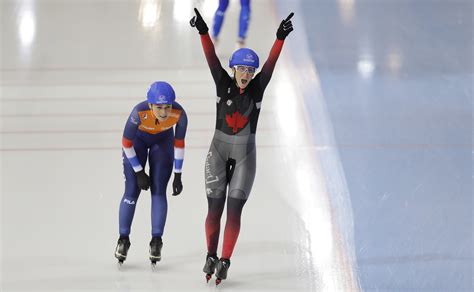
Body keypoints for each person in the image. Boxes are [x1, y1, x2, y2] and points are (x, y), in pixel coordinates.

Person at [190, 8, 294, 285]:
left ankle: (224, 260)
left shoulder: (258, 87)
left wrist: (279, 39)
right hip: (218, 152)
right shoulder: (222, 82)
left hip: (245, 155)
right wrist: (203, 32)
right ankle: (211, 254)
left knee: (234, 211)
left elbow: (270, 64)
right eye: (242, 69)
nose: (246, 75)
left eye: (250, 70)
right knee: (214, 210)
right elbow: (211, 58)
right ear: (233, 69)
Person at [114, 81, 188, 266]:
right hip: (137, 143)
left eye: (167, 107)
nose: (164, 113)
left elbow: (179, 143)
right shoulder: (138, 113)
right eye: (159, 107)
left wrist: (178, 174)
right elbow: (126, 143)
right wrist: (139, 172)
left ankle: (156, 241)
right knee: (131, 190)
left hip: (162, 144)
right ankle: (123, 239)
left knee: (158, 190)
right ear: (150, 105)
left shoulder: (179, 114)